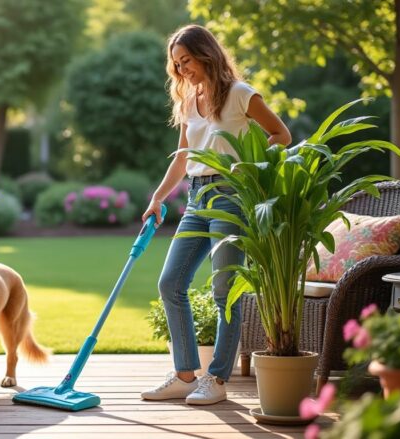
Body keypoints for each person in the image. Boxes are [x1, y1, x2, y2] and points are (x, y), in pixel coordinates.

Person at [140, 24, 291, 405]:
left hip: (231, 199)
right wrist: (158, 197)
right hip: (196, 199)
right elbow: (183, 156)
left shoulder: (241, 95)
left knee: (225, 291)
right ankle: (186, 374)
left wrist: (251, 166)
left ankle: (217, 379)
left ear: (206, 53)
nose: (181, 70)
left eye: (186, 60)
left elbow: (280, 135)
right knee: (170, 284)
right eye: (176, 64)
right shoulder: (190, 100)